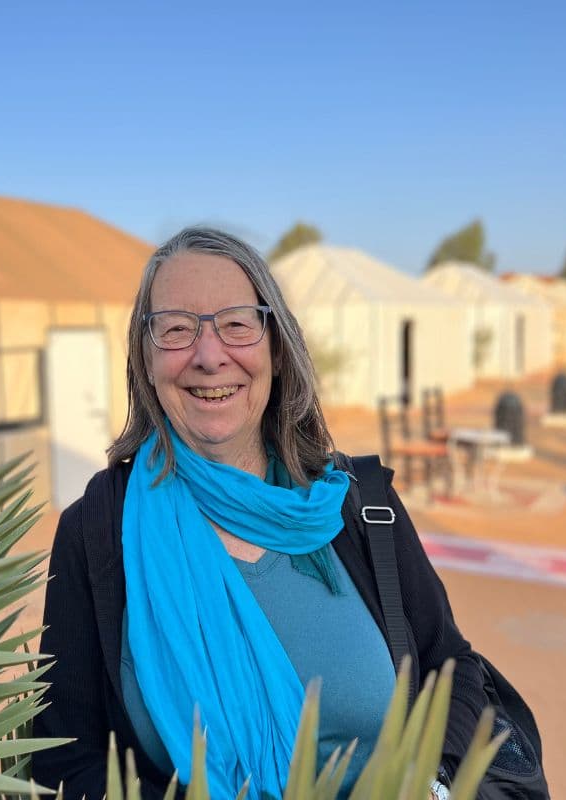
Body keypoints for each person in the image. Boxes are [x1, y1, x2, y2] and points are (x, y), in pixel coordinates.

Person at [32, 227, 486, 800]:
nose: (208, 355)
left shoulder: (355, 503)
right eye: (175, 329)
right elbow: (61, 761)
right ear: (145, 361)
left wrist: (430, 785)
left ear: (275, 346)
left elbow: (453, 665)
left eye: (237, 323)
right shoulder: (95, 532)